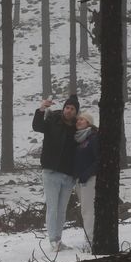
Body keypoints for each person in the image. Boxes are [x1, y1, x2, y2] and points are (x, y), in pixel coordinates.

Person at [32, 94, 79, 251]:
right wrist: (41, 109)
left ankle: (58, 239)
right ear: (63, 108)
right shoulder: (52, 121)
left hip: (69, 175)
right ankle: (53, 240)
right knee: (52, 207)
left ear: (76, 112)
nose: (68, 111)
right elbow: (37, 126)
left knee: (62, 209)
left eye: (72, 109)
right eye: (67, 107)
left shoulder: (76, 128)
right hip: (51, 171)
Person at [74, 112, 98, 244]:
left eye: (82, 119)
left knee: (88, 211)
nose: (78, 121)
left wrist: (87, 174)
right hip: (80, 180)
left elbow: (99, 159)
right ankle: (91, 238)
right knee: (85, 210)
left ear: (88, 122)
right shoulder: (79, 139)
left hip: (90, 179)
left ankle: (91, 240)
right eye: (77, 120)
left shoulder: (93, 137)